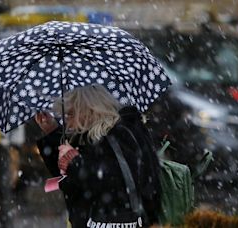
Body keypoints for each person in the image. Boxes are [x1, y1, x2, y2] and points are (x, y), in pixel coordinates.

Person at [34, 84, 162, 228]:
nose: (67, 122)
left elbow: (114, 184)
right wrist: (52, 132)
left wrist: (75, 164)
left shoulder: (118, 136)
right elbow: (72, 180)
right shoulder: (89, 137)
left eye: (70, 114)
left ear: (88, 110)